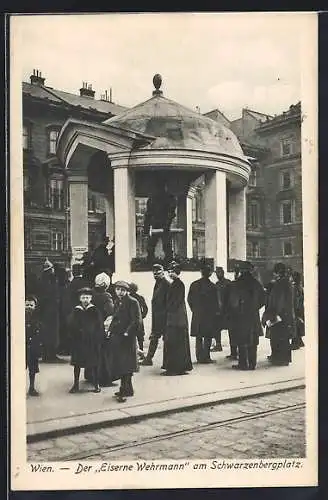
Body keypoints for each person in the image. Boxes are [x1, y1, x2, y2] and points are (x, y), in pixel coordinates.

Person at [107, 281, 142, 403]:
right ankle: (125, 388)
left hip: (127, 338)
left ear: (127, 291)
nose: (119, 292)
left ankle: (127, 389)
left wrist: (128, 332)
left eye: (122, 290)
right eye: (117, 289)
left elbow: (136, 320)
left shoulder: (133, 302)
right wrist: (110, 330)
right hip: (118, 337)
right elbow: (115, 318)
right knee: (121, 364)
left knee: (127, 364)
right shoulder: (117, 302)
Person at [227, 261, 266, 370]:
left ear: (241, 271)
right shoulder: (256, 283)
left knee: (242, 340)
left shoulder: (236, 284)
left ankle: (243, 364)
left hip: (240, 317)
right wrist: (254, 307)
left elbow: (232, 302)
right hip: (253, 316)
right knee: (253, 341)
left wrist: (236, 311)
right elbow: (263, 299)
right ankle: (252, 364)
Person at [67, 288, 104, 393]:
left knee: (94, 364)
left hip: (91, 342)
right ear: (79, 299)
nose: (85, 300)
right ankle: (75, 384)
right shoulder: (76, 310)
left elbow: (99, 326)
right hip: (79, 342)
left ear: (91, 298)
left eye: (87, 297)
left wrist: (98, 338)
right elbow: (71, 324)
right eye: (83, 297)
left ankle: (96, 384)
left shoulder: (95, 310)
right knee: (77, 364)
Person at [162, 262, 193, 376]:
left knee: (175, 342)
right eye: (169, 272)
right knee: (175, 342)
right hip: (176, 317)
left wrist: (167, 309)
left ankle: (175, 368)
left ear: (177, 272)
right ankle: (176, 367)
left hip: (177, 318)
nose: (170, 274)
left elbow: (176, 302)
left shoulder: (179, 284)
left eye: (172, 272)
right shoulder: (174, 284)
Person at [262, 263, 296, 366]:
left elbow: (278, 300)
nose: (274, 275)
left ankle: (279, 358)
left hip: (280, 315)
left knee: (278, 337)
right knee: (283, 337)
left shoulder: (281, 284)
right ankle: (282, 358)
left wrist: (274, 313)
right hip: (286, 314)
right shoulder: (286, 282)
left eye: (275, 272)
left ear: (278, 272)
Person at [187, 264, 218, 364]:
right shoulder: (213, 286)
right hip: (208, 315)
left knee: (199, 336)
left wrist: (194, 309)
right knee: (208, 336)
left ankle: (199, 356)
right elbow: (215, 302)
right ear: (210, 273)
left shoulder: (194, 284)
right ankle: (206, 356)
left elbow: (189, 299)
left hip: (198, 314)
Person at [140, 264, 171, 366]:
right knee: (154, 338)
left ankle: (167, 362)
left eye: (158, 273)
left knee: (165, 340)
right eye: (154, 273)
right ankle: (149, 359)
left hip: (164, 317)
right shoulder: (158, 284)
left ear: (163, 272)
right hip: (157, 317)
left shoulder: (167, 284)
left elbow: (169, 302)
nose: (156, 275)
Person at [143, 181, 177, 264]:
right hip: (157, 224)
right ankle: (151, 261)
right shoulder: (153, 199)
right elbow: (148, 214)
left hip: (163, 224)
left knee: (166, 245)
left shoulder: (169, 198)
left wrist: (167, 224)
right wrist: (146, 227)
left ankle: (168, 261)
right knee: (152, 246)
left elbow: (171, 213)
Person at [91, 273, 115, 386]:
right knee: (104, 352)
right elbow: (110, 312)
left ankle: (91, 375)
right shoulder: (106, 296)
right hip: (101, 327)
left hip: (91, 326)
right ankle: (104, 378)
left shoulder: (91, 293)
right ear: (106, 284)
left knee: (94, 351)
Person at [37, 258, 62, 363]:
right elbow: (52, 294)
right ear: (49, 270)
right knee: (51, 332)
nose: (53, 271)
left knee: (49, 332)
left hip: (47, 310)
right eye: (51, 269)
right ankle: (50, 354)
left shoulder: (44, 280)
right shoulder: (50, 280)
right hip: (50, 310)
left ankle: (48, 354)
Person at [25, 295, 43, 396]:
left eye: (31, 305)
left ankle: (32, 387)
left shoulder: (37, 318)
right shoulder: (19, 316)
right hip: (22, 345)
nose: (29, 307)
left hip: (33, 347)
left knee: (32, 369)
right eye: (27, 305)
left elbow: (39, 331)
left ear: (35, 306)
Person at [211, 266, 231, 352]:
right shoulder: (218, 284)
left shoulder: (225, 284)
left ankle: (233, 349)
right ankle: (219, 345)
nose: (218, 274)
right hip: (223, 310)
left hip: (225, 310)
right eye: (217, 273)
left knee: (230, 329)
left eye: (219, 273)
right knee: (217, 328)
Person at [129, 283, 148, 354]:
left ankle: (131, 353)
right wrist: (142, 316)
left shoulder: (128, 298)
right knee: (140, 337)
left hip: (130, 320)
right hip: (139, 320)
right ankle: (141, 352)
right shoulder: (140, 297)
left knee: (131, 336)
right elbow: (145, 309)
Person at [291, 271, 305, 349]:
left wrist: (294, 308)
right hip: (300, 308)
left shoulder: (294, 287)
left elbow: (295, 299)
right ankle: (299, 341)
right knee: (299, 324)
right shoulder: (299, 286)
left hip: (296, 308)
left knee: (295, 324)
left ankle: (295, 342)